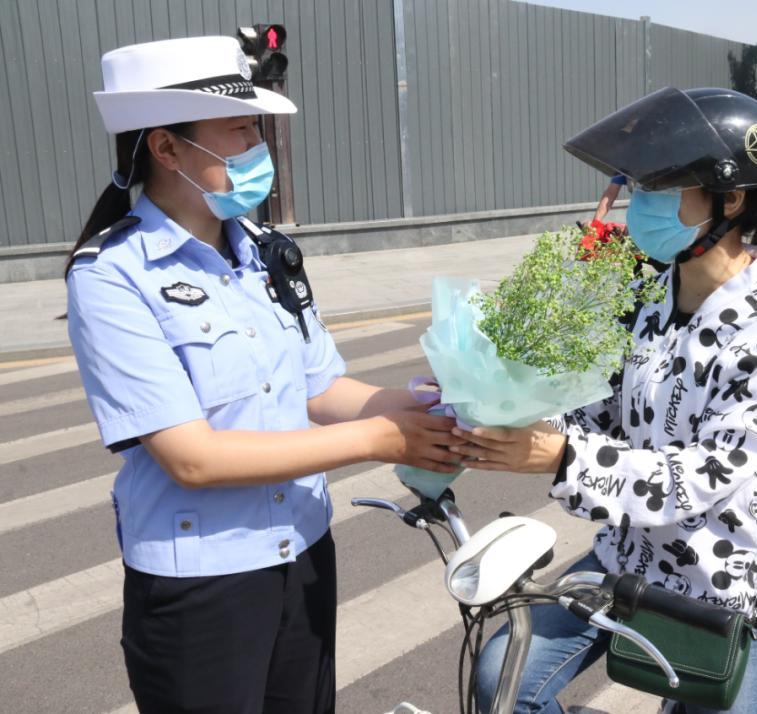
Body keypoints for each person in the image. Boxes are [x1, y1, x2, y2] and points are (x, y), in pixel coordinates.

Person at [67, 37, 463, 714]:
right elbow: (192, 459)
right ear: (165, 148)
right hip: (203, 586)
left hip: (303, 553)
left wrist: (433, 398)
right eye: (240, 130)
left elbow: (319, 387)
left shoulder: (266, 252)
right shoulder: (112, 275)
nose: (260, 149)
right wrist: (381, 441)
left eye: (258, 128)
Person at [455, 87, 757, 714]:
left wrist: (561, 457)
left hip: (724, 592)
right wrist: (502, 406)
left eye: (660, 186)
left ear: (730, 200)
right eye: (638, 187)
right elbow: (598, 411)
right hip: (623, 562)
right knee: (500, 681)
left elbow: (705, 477)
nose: (638, 205)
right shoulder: (647, 298)